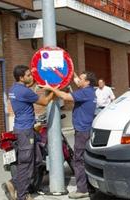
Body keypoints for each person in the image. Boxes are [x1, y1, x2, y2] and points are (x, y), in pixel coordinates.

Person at [42, 71, 97, 199]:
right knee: (85, 159)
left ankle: (82, 189)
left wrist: (51, 88)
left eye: (82, 79)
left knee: (79, 159)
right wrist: (69, 74)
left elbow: (66, 97)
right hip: (87, 128)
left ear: (87, 82)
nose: (78, 81)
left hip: (82, 130)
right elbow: (76, 84)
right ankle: (90, 187)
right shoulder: (90, 91)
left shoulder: (84, 92)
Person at [2, 65, 54, 200]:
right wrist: (55, 89)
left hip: (24, 129)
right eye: (28, 75)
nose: (30, 77)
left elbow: (28, 88)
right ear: (21, 77)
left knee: (37, 160)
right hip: (25, 131)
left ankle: (14, 184)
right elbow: (45, 101)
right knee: (26, 163)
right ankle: (22, 195)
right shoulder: (25, 92)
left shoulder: (14, 88)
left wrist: (35, 81)